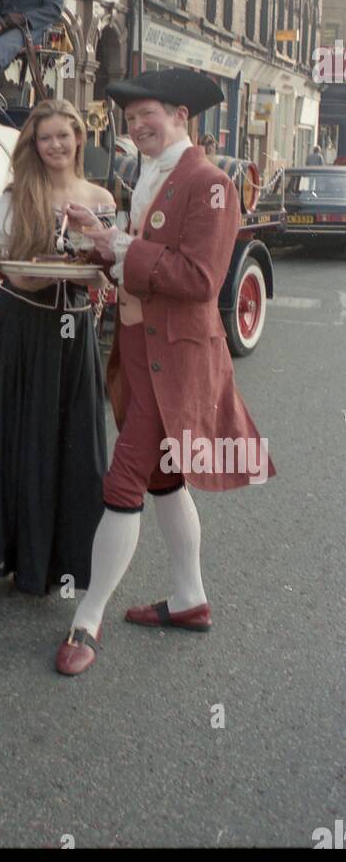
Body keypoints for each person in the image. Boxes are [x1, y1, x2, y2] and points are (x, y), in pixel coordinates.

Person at [54, 69, 275, 676]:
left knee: (123, 482)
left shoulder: (210, 185)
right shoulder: (148, 175)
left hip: (174, 360)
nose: (137, 126)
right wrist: (103, 241)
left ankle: (87, 619)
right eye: (129, 120)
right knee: (163, 481)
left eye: (147, 114)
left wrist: (120, 248)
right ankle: (190, 598)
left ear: (181, 114)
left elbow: (201, 279)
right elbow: (145, 258)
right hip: (140, 352)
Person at [0, 100, 114, 595]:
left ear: (79, 138)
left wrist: (93, 239)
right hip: (21, 325)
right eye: (45, 138)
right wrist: (40, 269)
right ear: (33, 145)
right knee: (18, 442)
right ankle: (11, 555)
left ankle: (65, 563)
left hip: (73, 334)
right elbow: (5, 267)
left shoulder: (99, 197)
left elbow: (108, 269)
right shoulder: (16, 195)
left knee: (70, 446)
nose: (55, 145)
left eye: (63, 136)